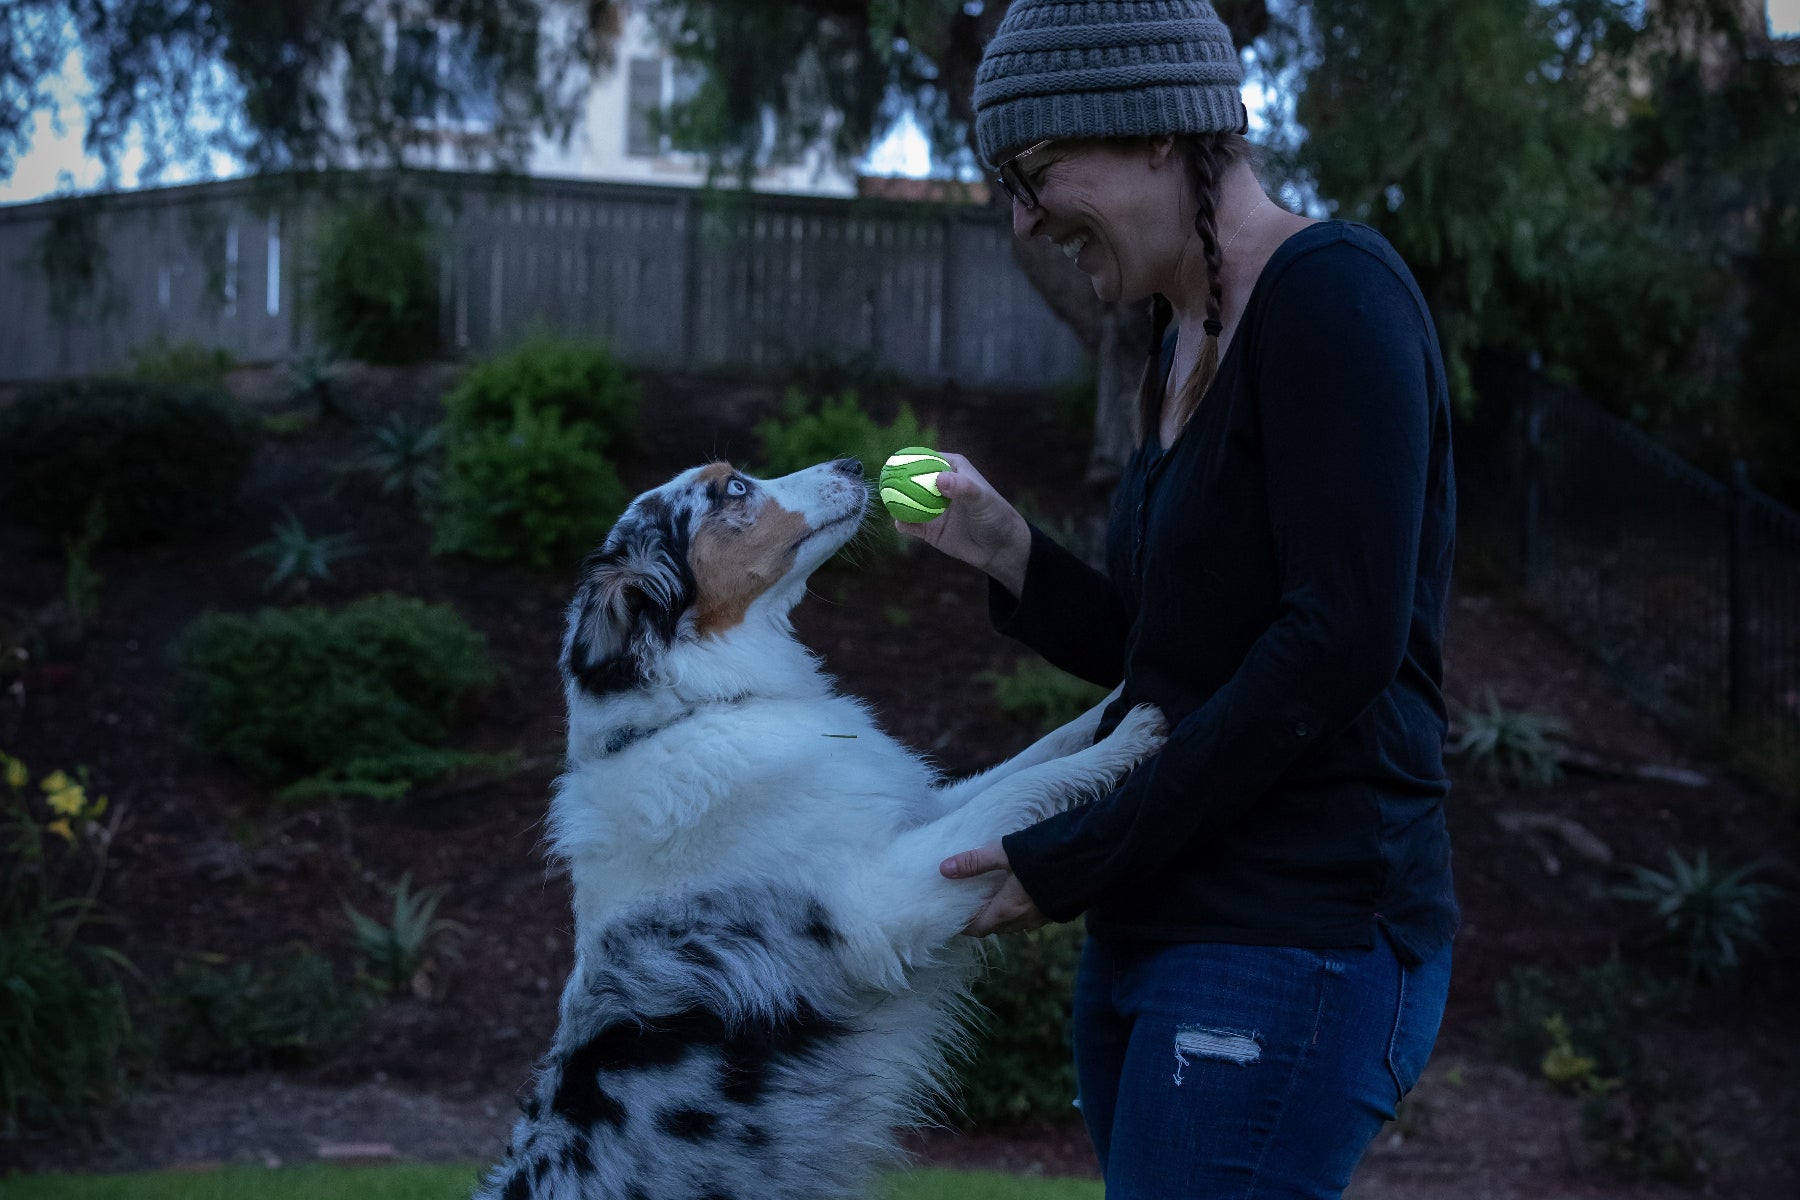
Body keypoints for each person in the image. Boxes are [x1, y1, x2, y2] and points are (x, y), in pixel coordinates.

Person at [895, 2, 1459, 1196]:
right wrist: (1007, 551)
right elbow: (1174, 663)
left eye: (1037, 174)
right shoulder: (1175, 343)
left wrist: (1081, 850)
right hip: (1159, 927)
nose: (1024, 219)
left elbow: (1337, 643)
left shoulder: (1332, 296)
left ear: (1157, 130)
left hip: (1291, 931)